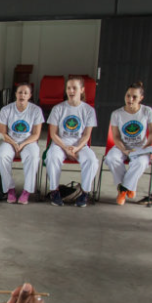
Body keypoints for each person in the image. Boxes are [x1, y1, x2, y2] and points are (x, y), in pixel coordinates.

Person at [44, 76, 97, 207]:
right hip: (60, 144)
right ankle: (54, 191)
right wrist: (66, 148)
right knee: (52, 157)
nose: (71, 91)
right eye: (68, 88)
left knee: (92, 160)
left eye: (74, 88)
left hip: (79, 145)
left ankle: (84, 193)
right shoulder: (58, 108)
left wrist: (76, 148)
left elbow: (86, 136)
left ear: (82, 90)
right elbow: (53, 134)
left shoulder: (89, 110)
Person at [104, 81, 152, 205]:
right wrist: (124, 150)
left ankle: (122, 190)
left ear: (141, 98)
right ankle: (129, 187)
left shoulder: (147, 111)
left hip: (141, 146)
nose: (130, 99)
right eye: (128, 95)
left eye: (134, 97)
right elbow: (116, 136)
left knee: (141, 162)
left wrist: (144, 147)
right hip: (122, 145)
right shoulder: (117, 114)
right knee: (111, 158)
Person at [0, 82, 44, 205]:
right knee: (1, 156)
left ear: (30, 95)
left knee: (33, 157)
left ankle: (27, 191)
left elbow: (36, 134)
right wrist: (14, 143)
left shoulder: (36, 110)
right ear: (16, 94)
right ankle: (10, 189)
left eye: (25, 93)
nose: (22, 95)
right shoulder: (6, 110)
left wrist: (22, 145)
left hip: (28, 141)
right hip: (9, 140)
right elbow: (2, 133)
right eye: (20, 92)